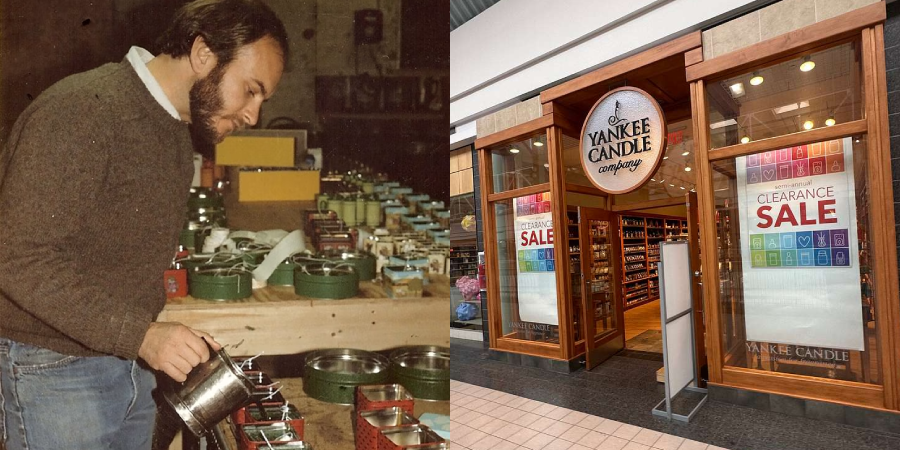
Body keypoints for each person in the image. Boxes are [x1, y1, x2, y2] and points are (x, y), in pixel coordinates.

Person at [0, 1, 288, 448]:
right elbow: (16, 257)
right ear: (203, 54)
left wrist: (162, 341)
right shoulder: (82, 111)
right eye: (250, 90)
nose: (253, 115)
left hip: (130, 367)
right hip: (55, 372)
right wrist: (142, 335)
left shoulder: (174, 129)